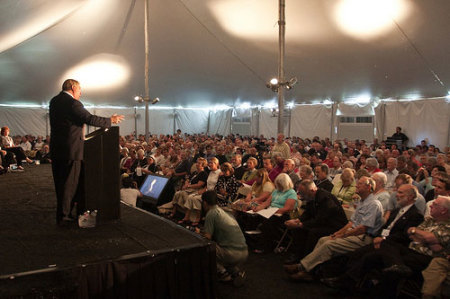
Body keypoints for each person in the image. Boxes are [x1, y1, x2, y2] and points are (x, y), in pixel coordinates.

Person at [49, 79, 124, 224]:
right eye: (79, 89)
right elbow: (88, 118)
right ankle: (64, 215)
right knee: (69, 184)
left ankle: (63, 213)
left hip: (58, 149)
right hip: (71, 150)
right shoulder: (72, 103)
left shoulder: (54, 101)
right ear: (72, 87)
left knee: (60, 183)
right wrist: (110, 120)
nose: (81, 92)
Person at [284, 176, 384, 281]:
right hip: (353, 233)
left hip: (364, 238)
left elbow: (362, 229)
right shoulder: (362, 202)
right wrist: (338, 233)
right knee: (323, 240)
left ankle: (302, 267)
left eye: (360, 183)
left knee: (329, 244)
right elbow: (351, 223)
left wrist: (343, 235)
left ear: (369, 187)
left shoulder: (374, 204)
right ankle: (311, 271)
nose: (356, 185)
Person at [197, 190, 248, 286]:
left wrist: (198, 233)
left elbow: (207, 237)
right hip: (244, 252)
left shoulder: (211, 213)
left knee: (205, 247)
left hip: (231, 254)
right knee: (222, 247)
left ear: (204, 203)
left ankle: (223, 273)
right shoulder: (225, 212)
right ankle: (236, 272)